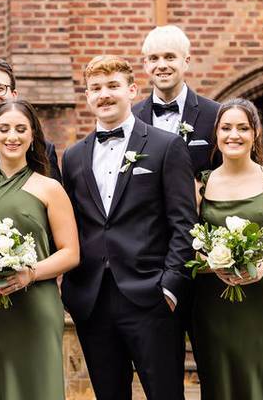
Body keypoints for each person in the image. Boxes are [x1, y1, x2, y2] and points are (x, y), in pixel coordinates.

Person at [61, 55, 197, 400]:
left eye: (112, 86)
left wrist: (170, 286)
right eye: (95, 89)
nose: (104, 95)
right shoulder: (74, 156)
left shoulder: (166, 147)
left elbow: (184, 222)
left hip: (151, 296)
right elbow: (73, 223)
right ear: (87, 96)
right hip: (92, 299)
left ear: (132, 90)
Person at [191, 98, 263, 400]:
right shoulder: (200, 188)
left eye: (243, 127)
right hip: (215, 305)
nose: (234, 135)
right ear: (216, 133)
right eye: (226, 127)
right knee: (222, 385)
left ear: (255, 133)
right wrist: (214, 264)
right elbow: (187, 248)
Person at [0, 100, 78, 399]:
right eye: (3, 129)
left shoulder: (50, 188)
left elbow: (70, 252)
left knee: (38, 386)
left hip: (36, 305)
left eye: (20, 129)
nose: (11, 136)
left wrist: (30, 274)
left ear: (32, 136)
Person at [133, 25, 220, 175]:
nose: (161, 66)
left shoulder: (215, 113)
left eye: (170, 57)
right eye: (154, 58)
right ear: (146, 65)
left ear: (186, 61)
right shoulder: (131, 118)